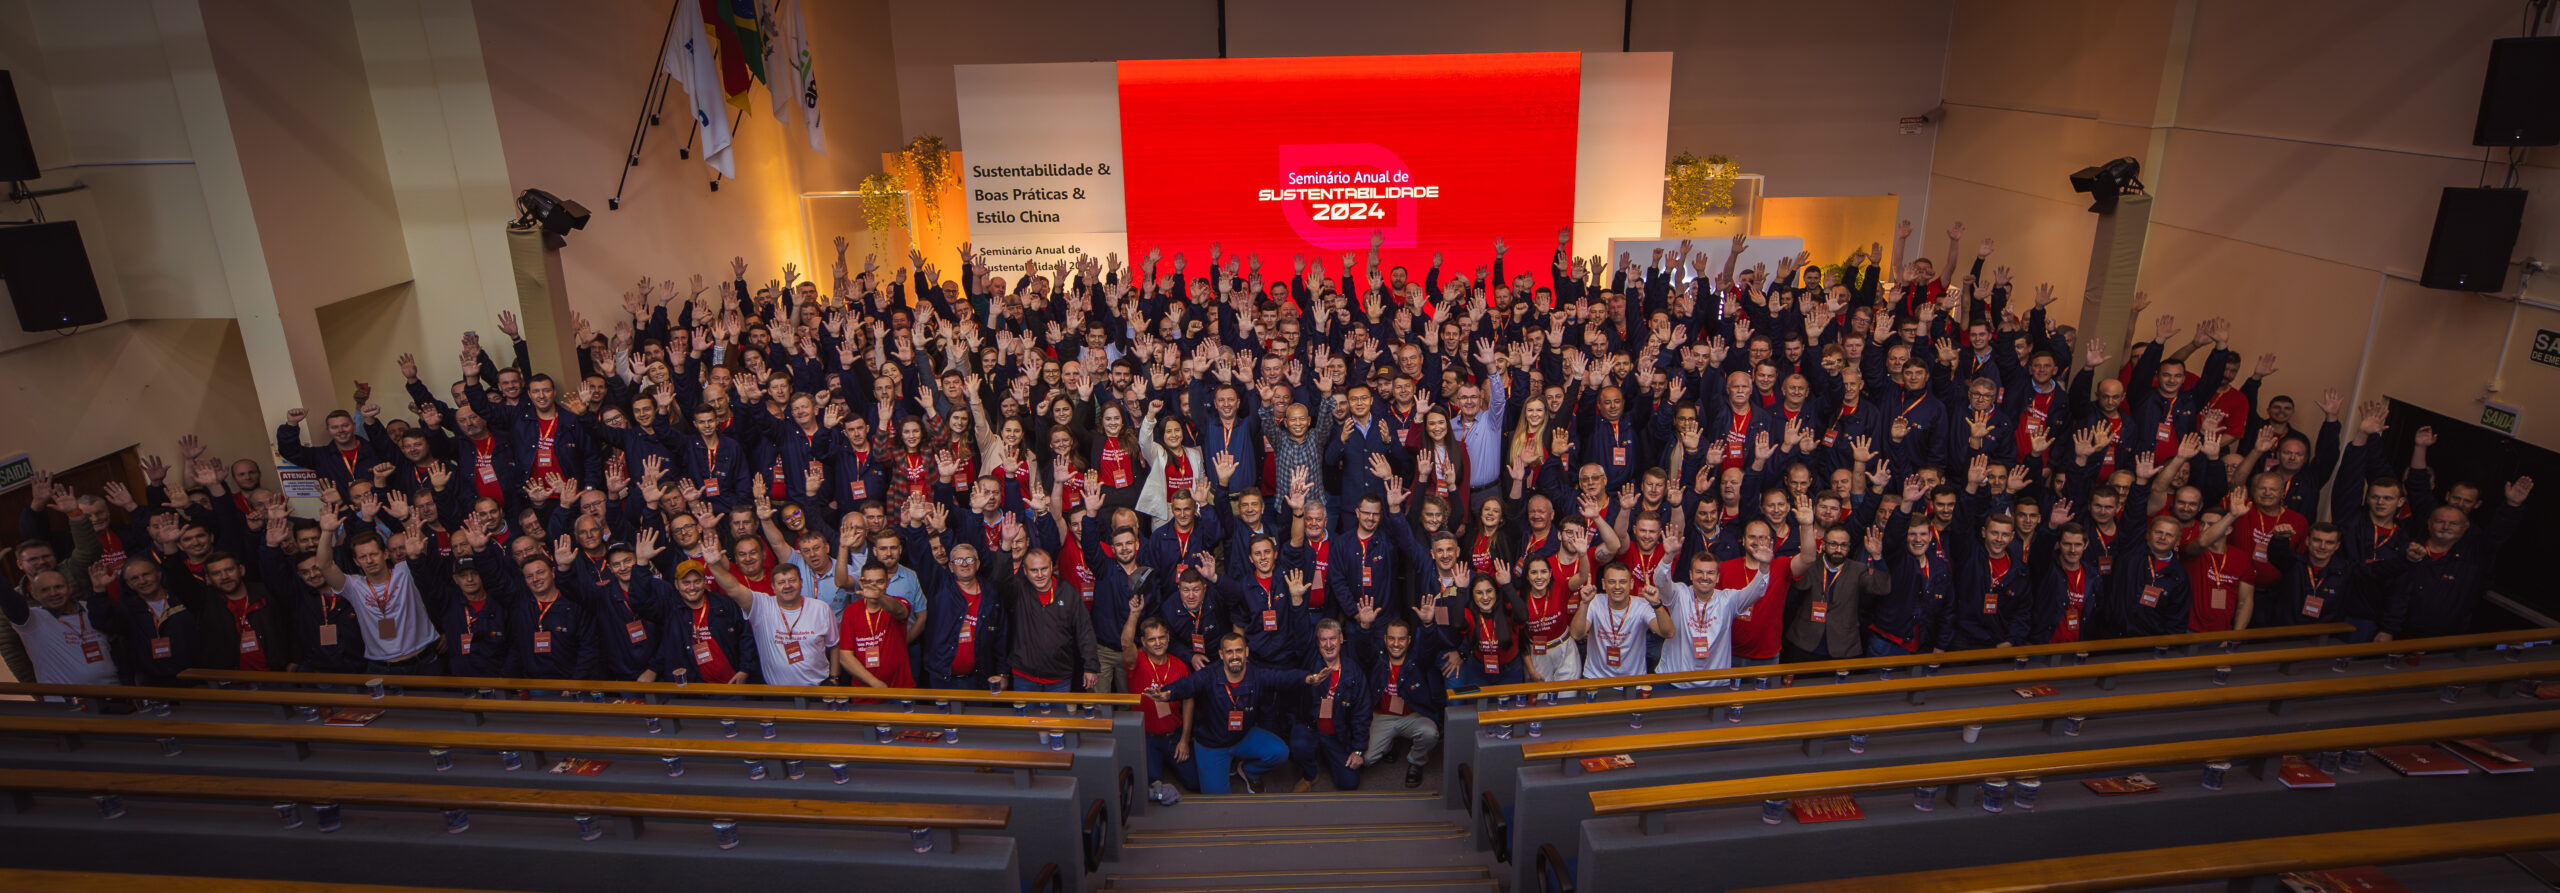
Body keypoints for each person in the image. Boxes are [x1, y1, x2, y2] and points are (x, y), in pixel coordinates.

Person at [1140, 632, 1328, 795]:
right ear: (1221, 655)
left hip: (1242, 736)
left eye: (1239, 650)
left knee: (1280, 752)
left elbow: (1281, 678)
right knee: (1218, 803)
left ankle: (1249, 770)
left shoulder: (1256, 674)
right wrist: (1167, 693)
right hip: (1212, 745)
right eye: (1229, 652)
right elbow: (1188, 685)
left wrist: (1308, 679)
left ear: (1246, 652)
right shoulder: (1209, 675)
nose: (1235, 656)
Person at [1286, 618, 1372, 791]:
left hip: (1337, 734)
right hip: (1311, 728)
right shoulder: (1309, 664)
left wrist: (1358, 749)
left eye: (1332, 638)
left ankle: (1328, 755)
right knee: (1299, 745)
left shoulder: (1353, 672)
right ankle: (1311, 774)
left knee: (1349, 783)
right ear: (1317, 643)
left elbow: (1362, 713)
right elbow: (1301, 633)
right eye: (1323, 640)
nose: (1328, 645)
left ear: (1341, 639)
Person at [1123, 612, 1192, 803]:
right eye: (1152, 639)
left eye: (1161, 637)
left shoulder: (1180, 666)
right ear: (1143, 642)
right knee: (1151, 783)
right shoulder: (1137, 661)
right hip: (1147, 738)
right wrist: (1134, 614)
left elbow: (1188, 701)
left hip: (1173, 736)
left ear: (1168, 637)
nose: (1158, 643)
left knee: (1194, 781)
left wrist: (1184, 739)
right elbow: (1126, 644)